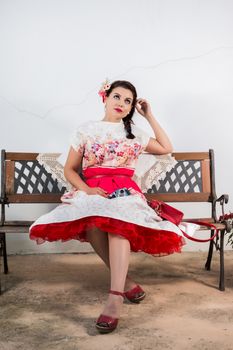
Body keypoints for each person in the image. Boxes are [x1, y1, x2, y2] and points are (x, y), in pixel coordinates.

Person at [29, 79, 186, 334]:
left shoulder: (134, 134)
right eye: (117, 97)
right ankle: (125, 281)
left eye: (128, 102)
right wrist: (88, 189)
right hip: (93, 189)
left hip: (124, 190)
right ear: (105, 97)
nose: (122, 104)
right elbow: (70, 169)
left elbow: (167, 148)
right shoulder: (86, 130)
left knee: (118, 224)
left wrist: (149, 115)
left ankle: (114, 297)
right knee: (93, 225)